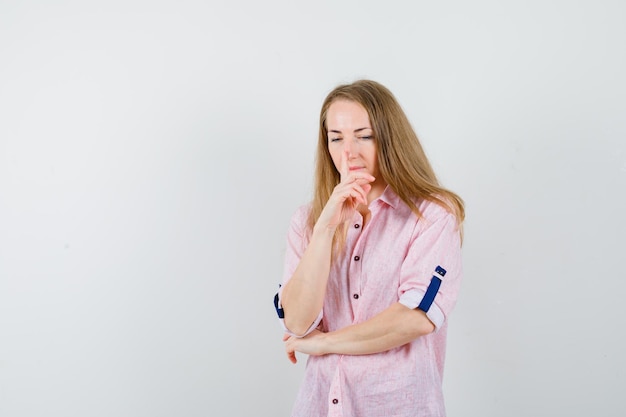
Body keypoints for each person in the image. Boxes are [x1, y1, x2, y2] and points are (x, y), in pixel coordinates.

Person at [274, 79, 465, 417]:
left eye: (364, 135)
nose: (349, 152)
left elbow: (415, 317)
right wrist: (324, 231)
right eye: (336, 138)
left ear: (389, 138)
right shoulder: (307, 221)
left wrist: (324, 343)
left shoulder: (432, 214)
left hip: (398, 405)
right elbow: (297, 323)